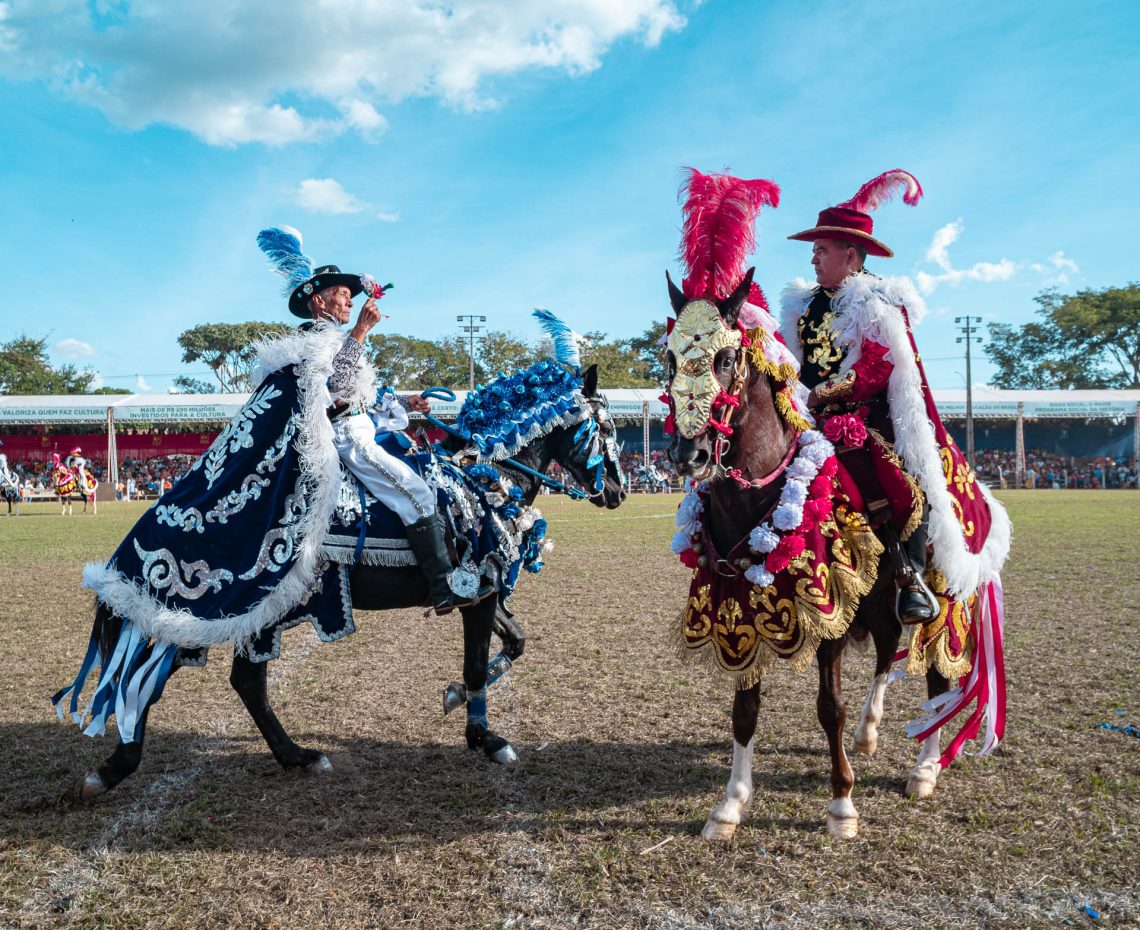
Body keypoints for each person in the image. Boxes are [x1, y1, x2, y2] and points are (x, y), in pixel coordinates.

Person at [780, 169, 1009, 620]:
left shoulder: (877, 300)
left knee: (899, 479)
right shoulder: (803, 305)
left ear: (850, 255)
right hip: (807, 412)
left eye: (820, 251)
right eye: (813, 251)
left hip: (867, 414)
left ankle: (911, 575)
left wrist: (820, 395)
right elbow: (791, 359)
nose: (813, 260)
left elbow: (877, 366)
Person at [263, 228, 493, 615]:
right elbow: (336, 386)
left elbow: (360, 394)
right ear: (319, 301)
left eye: (351, 296)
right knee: (417, 494)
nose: (350, 301)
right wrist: (362, 331)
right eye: (342, 294)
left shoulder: (334, 336)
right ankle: (442, 588)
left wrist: (407, 401)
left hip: (362, 425)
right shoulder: (315, 340)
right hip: (346, 437)